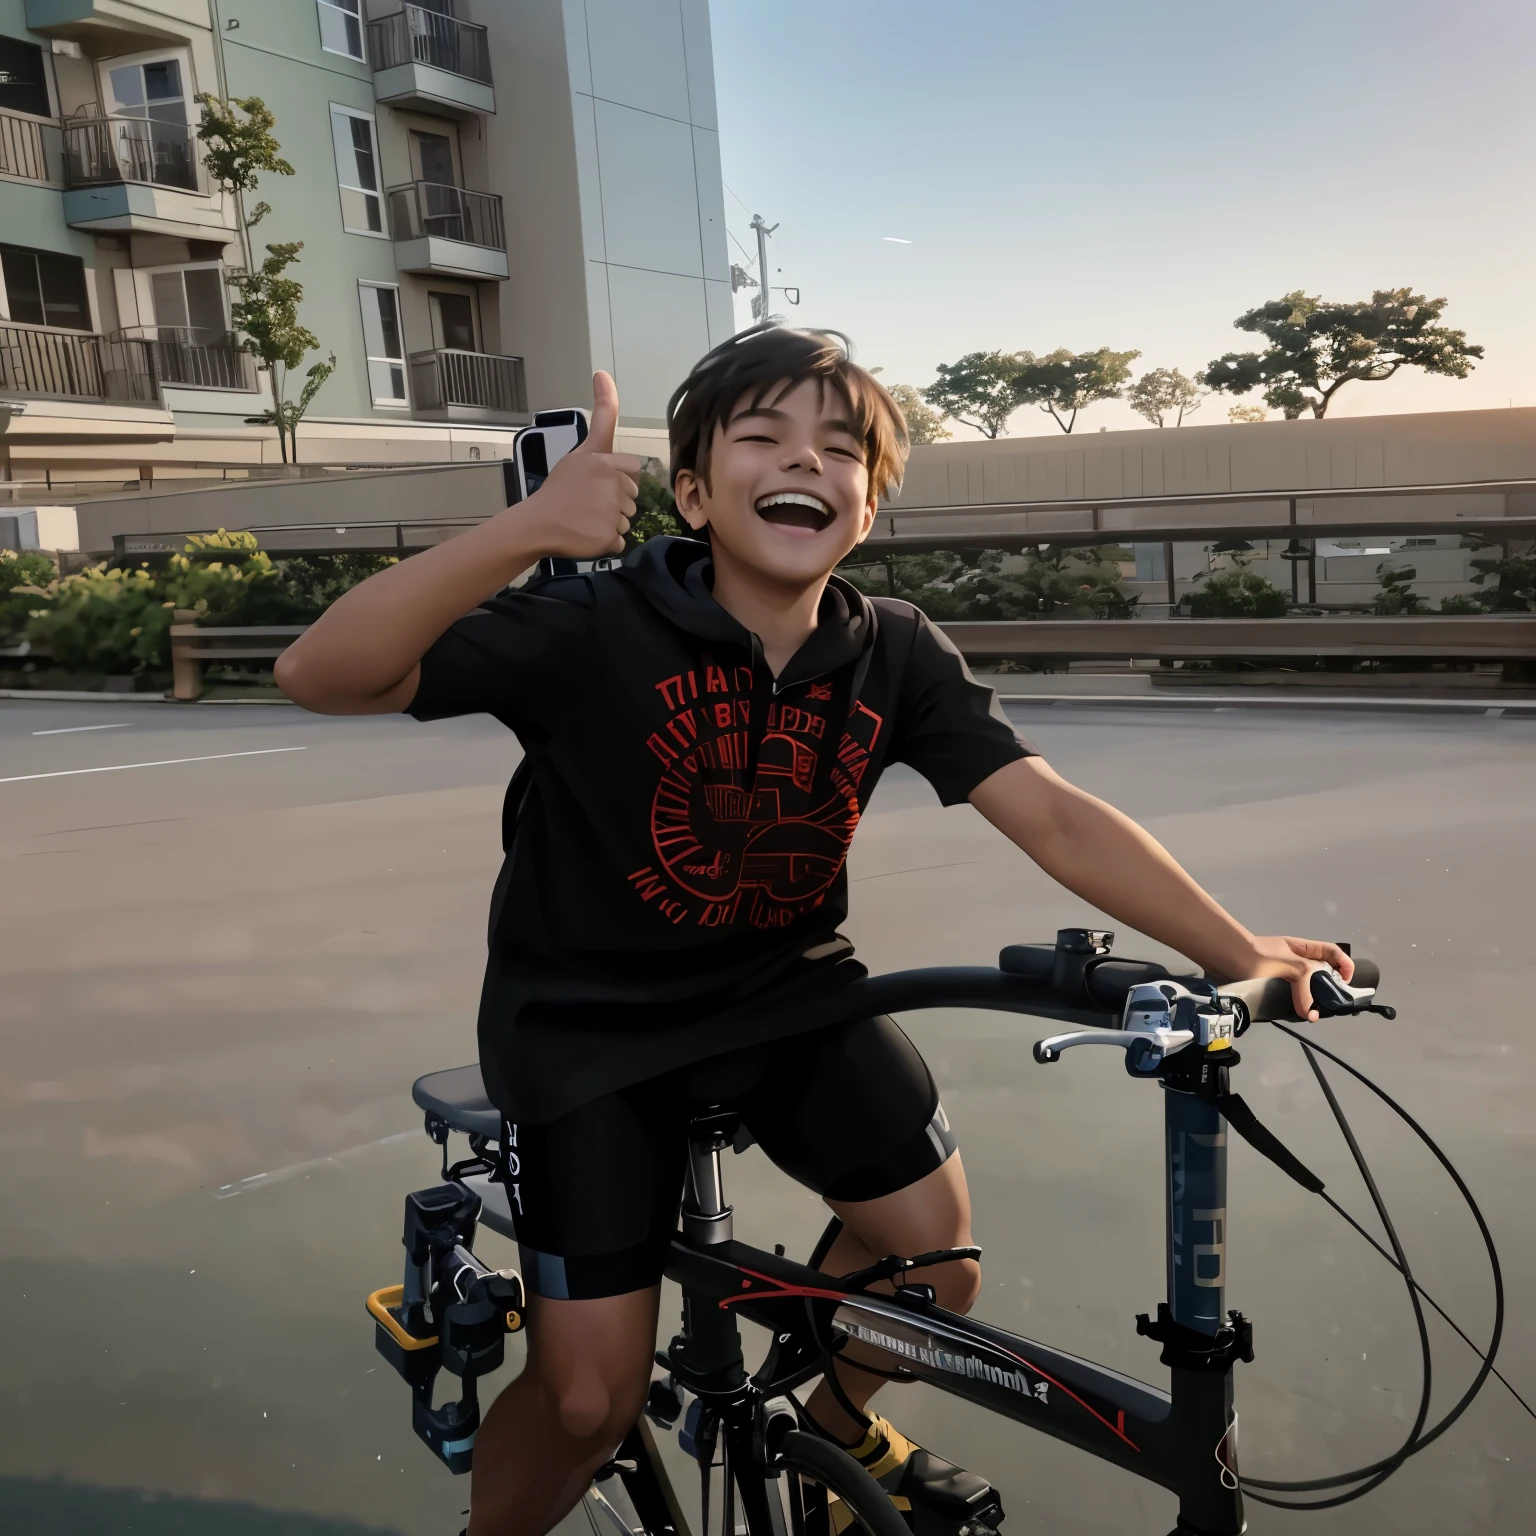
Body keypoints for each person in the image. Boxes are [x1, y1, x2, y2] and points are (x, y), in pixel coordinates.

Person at [276, 326, 1353, 1536]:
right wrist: (526, 533)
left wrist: (1236, 949)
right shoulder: (595, 624)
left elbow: (1049, 812)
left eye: (842, 449)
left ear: (866, 508)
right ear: (692, 491)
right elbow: (325, 672)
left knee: (934, 1275)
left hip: (791, 995)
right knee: (588, 1399)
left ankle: (835, 1436)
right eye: (765, 438)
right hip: (586, 1032)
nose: (809, 461)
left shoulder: (891, 646)